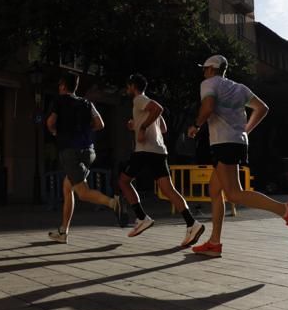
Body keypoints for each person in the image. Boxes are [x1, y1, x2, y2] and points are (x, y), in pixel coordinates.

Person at [187, 55, 288, 257]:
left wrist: (196, 126)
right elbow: (262, 108)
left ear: (211, 69)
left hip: (223, 144)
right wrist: (245, 130)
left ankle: (287, 210)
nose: (203, 71)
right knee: (215, 191)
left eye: (204, 68)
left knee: (234, 193)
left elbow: (207, 107)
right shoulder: (239, 88)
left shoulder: (208, 83)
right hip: (237, 142)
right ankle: (214, 243)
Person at [117, 73, 205, 247]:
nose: (127, 90)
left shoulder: (139, 99)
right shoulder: (145, 103)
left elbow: (158, 109)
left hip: (144, 151)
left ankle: (142, 217)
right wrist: (136, 124)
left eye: (128, 87)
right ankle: (192, 224)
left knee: (123, 181)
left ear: (133, 86)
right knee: (169, 190)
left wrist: (141, 126)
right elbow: (163, 128)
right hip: (158, 151)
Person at [45, 72, 122, 243]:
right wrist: (84, 132)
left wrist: (56, 132)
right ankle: (63, 231)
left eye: (60, 85)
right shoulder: (87, 103)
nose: (59, 87)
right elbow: (100, 124)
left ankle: (113, 203)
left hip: (70, 152)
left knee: (83, 192)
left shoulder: (59, 101)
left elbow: (50, 123)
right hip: (89, 152)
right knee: (67, 187)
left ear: (64, 86)